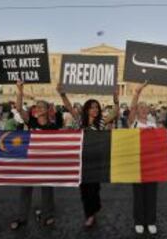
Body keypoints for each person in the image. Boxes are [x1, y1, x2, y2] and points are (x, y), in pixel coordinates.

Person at [57, 83, 119, 228]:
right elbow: (69, 107)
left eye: (97, 107)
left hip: (97, 161)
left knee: (95, 189)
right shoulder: (80, 121)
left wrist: (116, 100)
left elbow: (115, 112)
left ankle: (94, 209)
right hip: (82, 161)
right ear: (87, 109)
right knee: (85, 190)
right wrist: (62, 94)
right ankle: (89, 214)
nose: (95, 110)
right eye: (92, 107)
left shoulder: (101, 122)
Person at [9, 80, 59, 230]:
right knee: (25, 189)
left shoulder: (53, 126)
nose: (37, 108)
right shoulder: (31, 121)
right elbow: (18, 108)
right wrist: (20, 89)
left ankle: (48, 215)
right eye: (36, 107)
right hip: (29, 160)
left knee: (47, 189)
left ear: (47, 109)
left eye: (40, 106)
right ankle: (21, 217)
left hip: (45, 161)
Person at [127, 81, 158, 235]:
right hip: (137, 164)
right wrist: (137, 93)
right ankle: (139, 220)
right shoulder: (133, 123)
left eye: (146, 107)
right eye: (141, 107)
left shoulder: (154, 124)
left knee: (152, 194)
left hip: (152, 165)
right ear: (137, 111)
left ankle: (151, 220)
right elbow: (131, 108)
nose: (144, 109)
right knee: (138, 194)